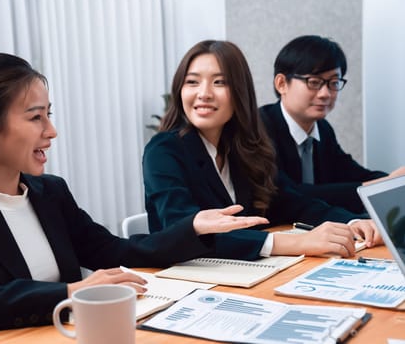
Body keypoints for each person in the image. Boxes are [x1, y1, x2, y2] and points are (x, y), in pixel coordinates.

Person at [0, 53, 269, 337]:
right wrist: (71, 291)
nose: (52, 130)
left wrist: (193, 227)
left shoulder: (49, 193)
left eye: (49, 114)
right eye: (35, 117)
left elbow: (115, 251)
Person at [143, 40, 383, 262]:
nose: (204, 93)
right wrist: (295, 242)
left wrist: (352, 222)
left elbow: (294, 202)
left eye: (219, 82)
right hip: (187, 279)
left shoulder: (245, 147)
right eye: (192, 82)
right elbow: (186, 230)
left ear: (240, 92)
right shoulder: (164, 151)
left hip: (245, 273)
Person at [259, 35, 405, 214]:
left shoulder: (322, 129)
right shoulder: (259, 128)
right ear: (282, 84)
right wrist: (377, 186)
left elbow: (352, 173)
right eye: (314, 82)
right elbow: (288, 195)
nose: (325, 93)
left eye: (334, 83)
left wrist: (394, 182)